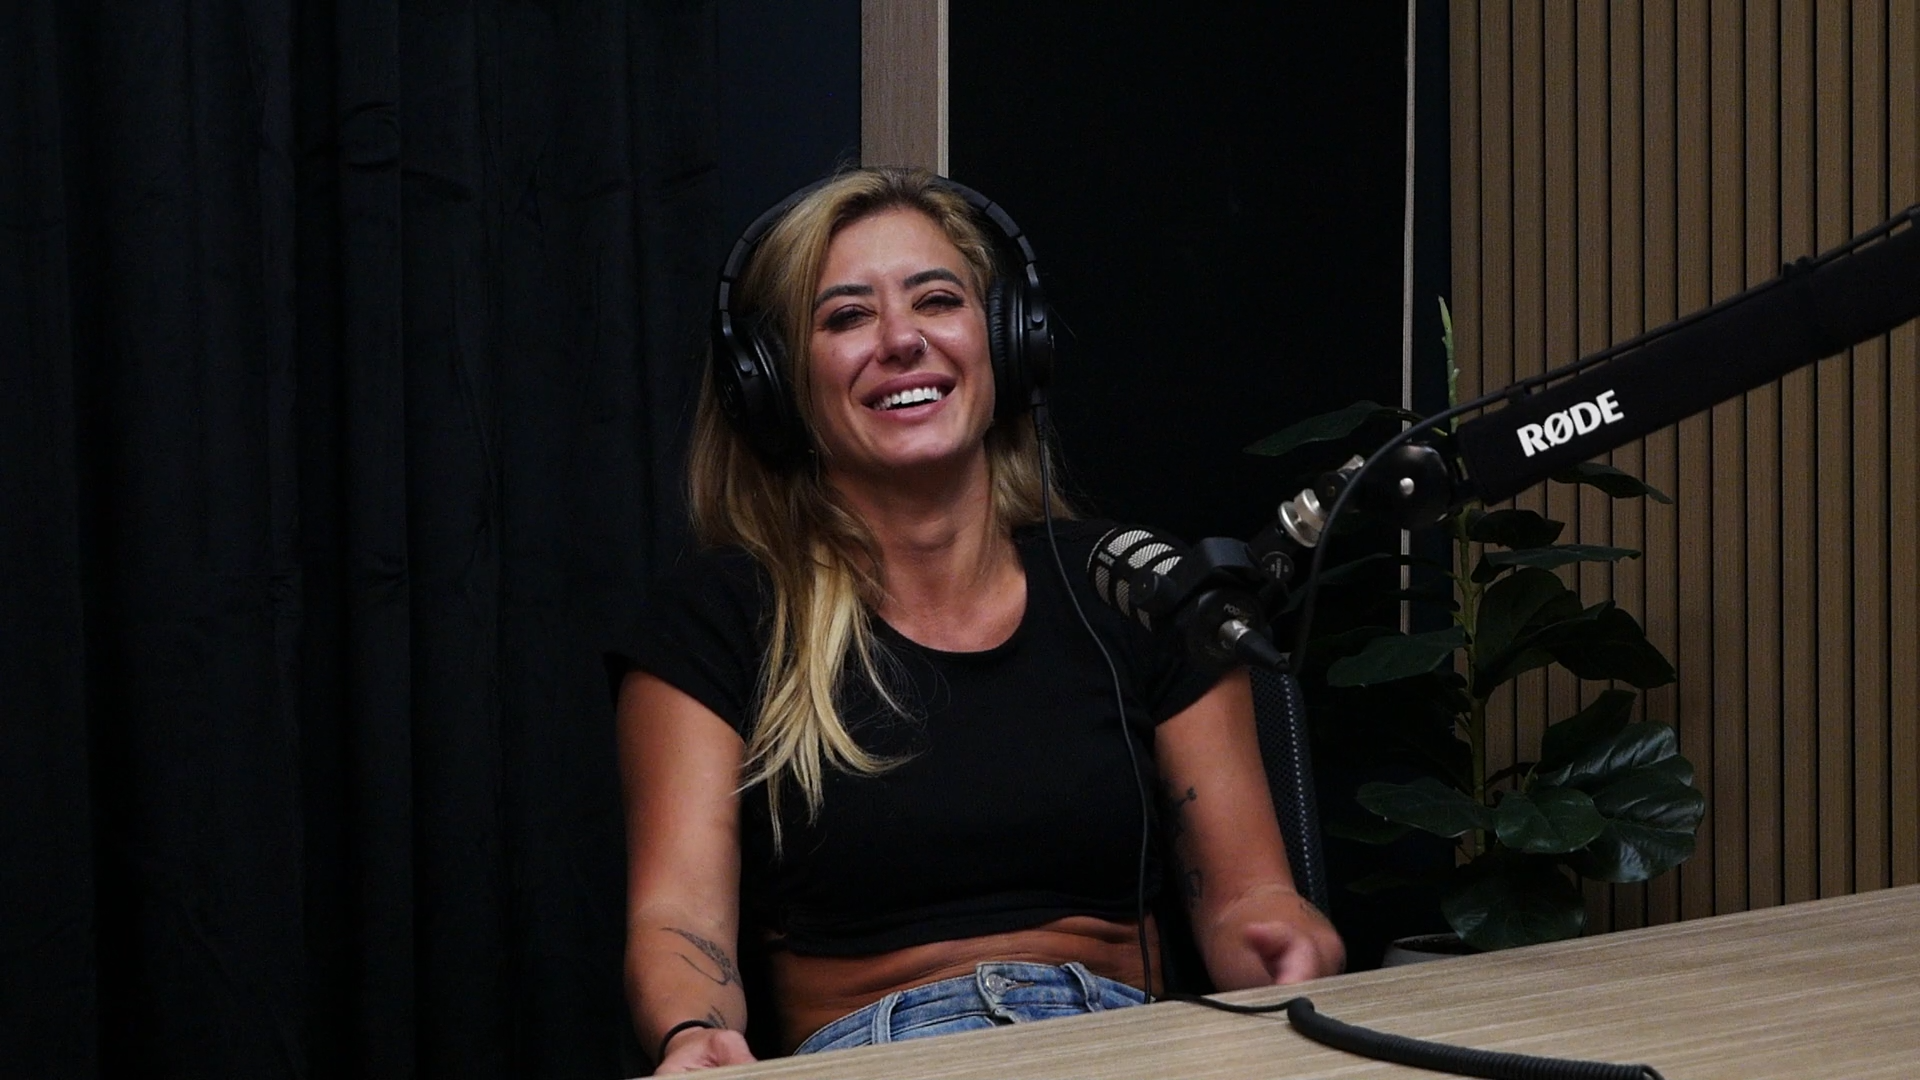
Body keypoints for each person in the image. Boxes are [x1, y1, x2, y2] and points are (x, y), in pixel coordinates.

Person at [611, 167, 1343, 1074]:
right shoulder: (720, 619)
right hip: (878, 1052)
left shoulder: (1136, 585)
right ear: (775, 384)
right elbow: (679, 920)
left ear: (1008, 340)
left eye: (938, 299)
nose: (902, 339)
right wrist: (693, 1033)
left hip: (1124, 1041)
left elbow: (1246, 898)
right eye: (845, 317)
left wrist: (1281, 942)